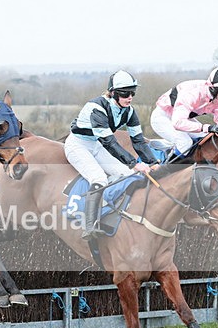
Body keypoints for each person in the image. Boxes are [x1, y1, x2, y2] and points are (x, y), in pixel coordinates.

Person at [64, 70, 158, 239]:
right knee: (99, 178)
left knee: (127, 175)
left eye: (132, 93)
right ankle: (89, 225)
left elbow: (138, 141)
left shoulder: (129, 111)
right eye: (125, 93)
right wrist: (133, 162)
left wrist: (153, 162)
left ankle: (116, 212)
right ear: (113, 93)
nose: (129, 97)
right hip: (78, 145)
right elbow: (110, 143)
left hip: (96, 145)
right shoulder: (96, 108)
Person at [150, 66, 218, 160]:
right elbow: (177, 123)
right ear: (213, 88)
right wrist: (206, 127)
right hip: (163, 117)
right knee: (185, 143)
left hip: (183, 118)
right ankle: (164, 170)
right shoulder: (192, 94)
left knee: (206, 139)